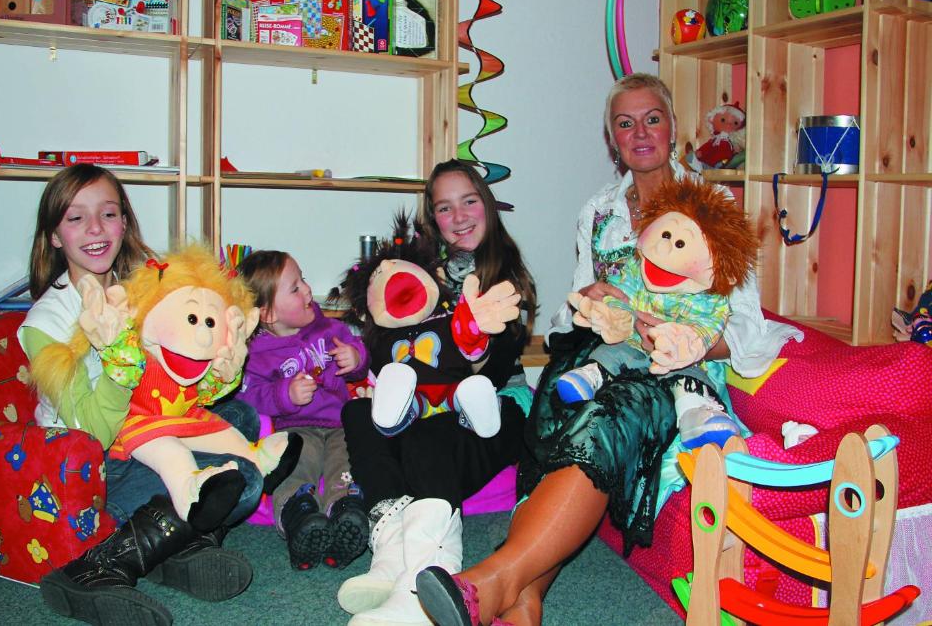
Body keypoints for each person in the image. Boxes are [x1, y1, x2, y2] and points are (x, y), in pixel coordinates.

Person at [414, 74, 801, 626]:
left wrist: (683, 341)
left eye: (652, 119)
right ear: (612, 138)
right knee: (558, 403)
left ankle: (490, 582)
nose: (640, 133)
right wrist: (588, 302)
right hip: (601, 356)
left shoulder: (711, 205)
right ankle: (524, 603)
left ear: (672, 128)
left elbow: (744, 321)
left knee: (603, 420)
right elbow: (569, 315)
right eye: (625, 123)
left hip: (673, 369)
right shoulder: (597, 211)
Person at [18, 164, 266, 626]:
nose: (96, 228)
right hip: (95, 463)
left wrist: (221, 364)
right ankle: (97, 568)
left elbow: (176, 392)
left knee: (242, 419)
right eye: (76, 218)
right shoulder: (44, 323)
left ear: (124, 223)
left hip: (143, 431)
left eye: (108, 214)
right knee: (245, 479)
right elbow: (92, 433)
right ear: (53, 235)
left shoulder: (140, 288)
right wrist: (120, 366)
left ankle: (175, 545)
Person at [337, 159, 537, 626]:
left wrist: (468, 335)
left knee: (429, 436)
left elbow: (494, 371)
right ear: (433, 218)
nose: (459, 216)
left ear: (487, 205)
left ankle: (427, 580)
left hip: (491, 405)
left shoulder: (506, 279)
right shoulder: (422, 274)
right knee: (358, 414)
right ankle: (391, 551)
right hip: (426, 402)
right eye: (445, 208)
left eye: (469, 201)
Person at [235, 250, 371, 571]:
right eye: (295, 288)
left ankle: (345, 508)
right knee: (296, 464)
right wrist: (285, 394)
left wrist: (355, 357)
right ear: (267, 314)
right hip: (296, 426)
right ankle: (299, 515)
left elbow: (359, 353)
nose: (308, 290)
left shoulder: (329, 329)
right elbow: (250, 395)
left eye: (304, 280)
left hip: (340, 422)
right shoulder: (257, 354)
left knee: (348, 462)